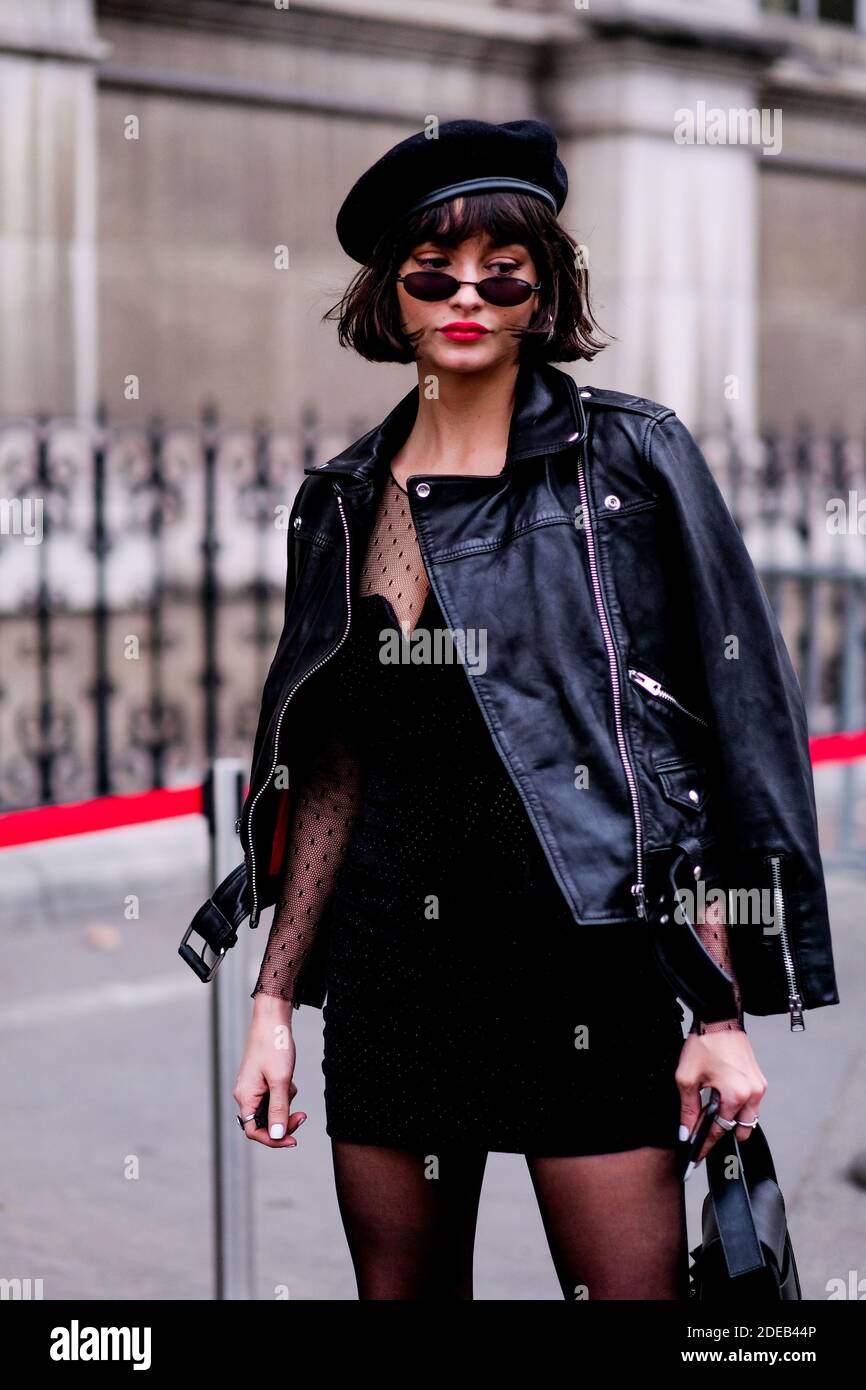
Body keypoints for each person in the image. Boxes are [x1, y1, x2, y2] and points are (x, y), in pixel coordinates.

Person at [228, 119, 835, 1300]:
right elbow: (335, 766)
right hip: (393, 976)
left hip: (584, 969)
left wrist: (717, 1007)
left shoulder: (629, 458)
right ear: (388, 298)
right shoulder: (341, 499)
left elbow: (703, 740)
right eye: (431, 271)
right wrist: (271, 1000)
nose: (465, 293)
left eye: (500, 270)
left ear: (542, 293)